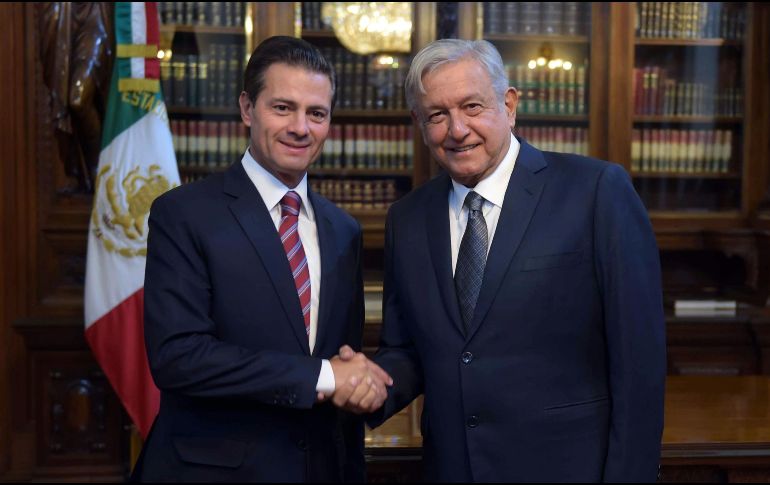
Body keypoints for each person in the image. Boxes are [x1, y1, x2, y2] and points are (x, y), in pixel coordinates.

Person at [338, 38, 666, 482]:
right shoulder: (408, 219)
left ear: (508, 104)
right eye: (437, 115)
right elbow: (409, 350)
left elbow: (639, 363)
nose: (456, 130)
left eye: (473, 107)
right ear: (419, 122)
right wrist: (367, 385)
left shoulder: (595, 192)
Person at [134, 36, 390, 482]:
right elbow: (178, 357)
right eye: (283, 108)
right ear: (247, 109)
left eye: (317, 113)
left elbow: (339, 357)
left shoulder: (343, 230)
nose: (300, 128)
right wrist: (325, 377)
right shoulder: (185, 213)